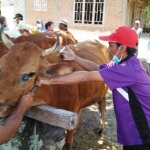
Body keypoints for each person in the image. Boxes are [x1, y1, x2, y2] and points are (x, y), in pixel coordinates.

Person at [36, 26, 150, 150]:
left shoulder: (127, 69)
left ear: (122, 47)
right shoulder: (121, 62)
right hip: (133, 128)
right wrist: (74, 58)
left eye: (111, 46)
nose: (107, 49)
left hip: (142, 130)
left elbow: (86, 76)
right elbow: (96, 68)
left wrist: (49, 80)